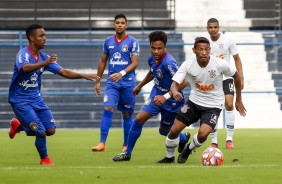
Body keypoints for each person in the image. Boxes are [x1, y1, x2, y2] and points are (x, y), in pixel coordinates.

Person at [8, 24, 97, 165]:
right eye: (41, 36)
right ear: (32, 38)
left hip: (36, 99)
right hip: (20, 100)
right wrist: (45, 62)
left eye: (45, 35)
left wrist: (83, 75)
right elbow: (24, 68)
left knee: (50, 130)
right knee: (41, 132)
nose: (45, 38)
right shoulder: (23, 54)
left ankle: (18, 126)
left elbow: (64, 72)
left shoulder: (44, 57)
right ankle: (45, 159)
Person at [156, 37, 246, 164]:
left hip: (213, 105)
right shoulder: (188, 64)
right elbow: (174, 83)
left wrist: (239, 99)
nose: (203, 52)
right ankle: (169, 157)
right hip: (193, 103)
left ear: (210, 50)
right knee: (174, 130)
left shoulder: (219, 63)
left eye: (206, 49)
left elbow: (237, 76)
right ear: (194, 50)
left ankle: (188, 148)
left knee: (203, 134)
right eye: (200, 49)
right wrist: (175, 92)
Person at [112, 31, 190, 162]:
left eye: (159, 48)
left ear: (165, 47)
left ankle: (183, 138)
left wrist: (165, 96)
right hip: (156, 93)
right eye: (153, 48)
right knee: (138, 119)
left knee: (164, 131)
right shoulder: (151, 59)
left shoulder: (169, 62)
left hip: (172, 100)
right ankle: (127, 153)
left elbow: (183, 82)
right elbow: (153, 72)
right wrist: (140, 86)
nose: (156, 51)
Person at [91, 14, 140, 152]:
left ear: (126, 25)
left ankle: (125, 145)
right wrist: (97, 81)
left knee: (127, 114)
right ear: (114, 25)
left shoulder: (133, 42)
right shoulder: (108, 41)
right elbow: (102, 61)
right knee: (108, 108)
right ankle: (102, 143)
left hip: (128, 83)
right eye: (117, 22)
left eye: (122, 23)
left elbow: (135, 62)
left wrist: (122, 73)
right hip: (112, 83)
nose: (119, 25)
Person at [207, 18, 244, 149]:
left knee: (229, 104)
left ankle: (229, 139)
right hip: (212, 78)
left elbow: (237, 59)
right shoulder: (205, 43)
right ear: (207, 28)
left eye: (215, 27)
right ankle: (214, 141)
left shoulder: (228, 40)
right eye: (210, 27)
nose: (213, 30)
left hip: (227, 76)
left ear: (218, 27)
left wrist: (241, 77)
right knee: (213, 107)